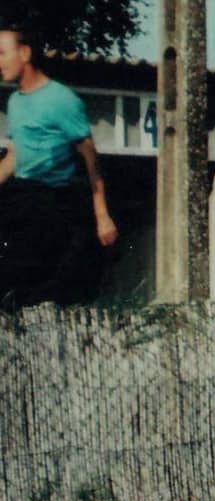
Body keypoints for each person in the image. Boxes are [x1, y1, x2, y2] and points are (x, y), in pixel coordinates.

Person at [0, 25, 118, 307]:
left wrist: (102, 215)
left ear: (24, 53)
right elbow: (16, 156)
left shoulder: (61, 100)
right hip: (22, 195)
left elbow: (90, 158)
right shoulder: (15, 102)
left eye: (2, 53)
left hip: (52, 199)